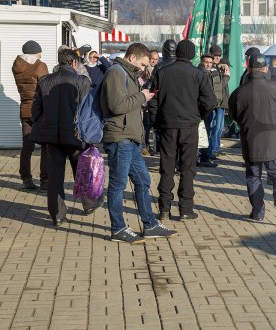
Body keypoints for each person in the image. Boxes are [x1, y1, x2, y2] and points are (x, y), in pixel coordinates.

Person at [100, 43, 177, 244]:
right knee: (118, 185)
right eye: (143, 64)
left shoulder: (128, 74)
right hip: (120, 137)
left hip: (131, 138)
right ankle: (118, 228)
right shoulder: (116, 73)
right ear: (133, 57)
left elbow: (127, 102)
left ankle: (150, 225)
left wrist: (142, 94)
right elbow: (117, 105)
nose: (144, 68)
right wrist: (142, 96)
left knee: (143, 181)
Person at [30, 49, 105, 226]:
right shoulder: (82, 81)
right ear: (74, 63)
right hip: (75, 135)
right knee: (83, 170)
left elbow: (36, 109)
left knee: (54, 176)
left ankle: (57, 214)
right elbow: (89, 110)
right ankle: (90, 204)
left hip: (52, 136)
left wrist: (41, 123)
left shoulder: (44, 81)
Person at [149, 40, 216, 221]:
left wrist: (156, 121)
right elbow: (209, 102)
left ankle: (164, 209)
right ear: (192, 55)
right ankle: (186, 209)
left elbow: (152, 100)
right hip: (189, 126)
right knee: (188, 168)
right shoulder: (198, 74)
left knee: (167, 167)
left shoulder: (162, 72)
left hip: (167, 126)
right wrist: (198, 116)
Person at [229, 53, 276, 224]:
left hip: (251, 141)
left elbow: (234, 116)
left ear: (249, 69)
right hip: (275, 141)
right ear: (266, 69)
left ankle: (257, 211)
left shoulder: (239, 92)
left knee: (253, 176)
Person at [12, 40, 49, 190]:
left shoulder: (16, 66)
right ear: (35, 52)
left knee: (27, 146)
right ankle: (45, 180)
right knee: (46, 145)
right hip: (39, 110)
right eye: (39, 51)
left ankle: (26, 179)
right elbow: (46, 89)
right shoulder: (40, 66)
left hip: (25, 109)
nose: (41, 54)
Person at [198, 53, 221, 167]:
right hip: (202, 108)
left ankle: (203, 157)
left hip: (209, 108)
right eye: (206, 62)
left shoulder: (212, 72)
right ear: (201, 61)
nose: (208, 64)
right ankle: (203, 158)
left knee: (206, 132)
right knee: (203, 133)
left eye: (210, 62)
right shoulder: (200, 73)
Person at [209, 44, 230, 155]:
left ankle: (216, 148)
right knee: (214, 128)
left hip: (221, 103)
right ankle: (213, 149)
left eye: (219, 55)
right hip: (214, 103)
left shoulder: (220, 67)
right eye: (215, 55)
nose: (217, 57)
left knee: (219, 128)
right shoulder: (210, 69)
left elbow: (224, 89)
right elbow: (217, 87)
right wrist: (226, 76)